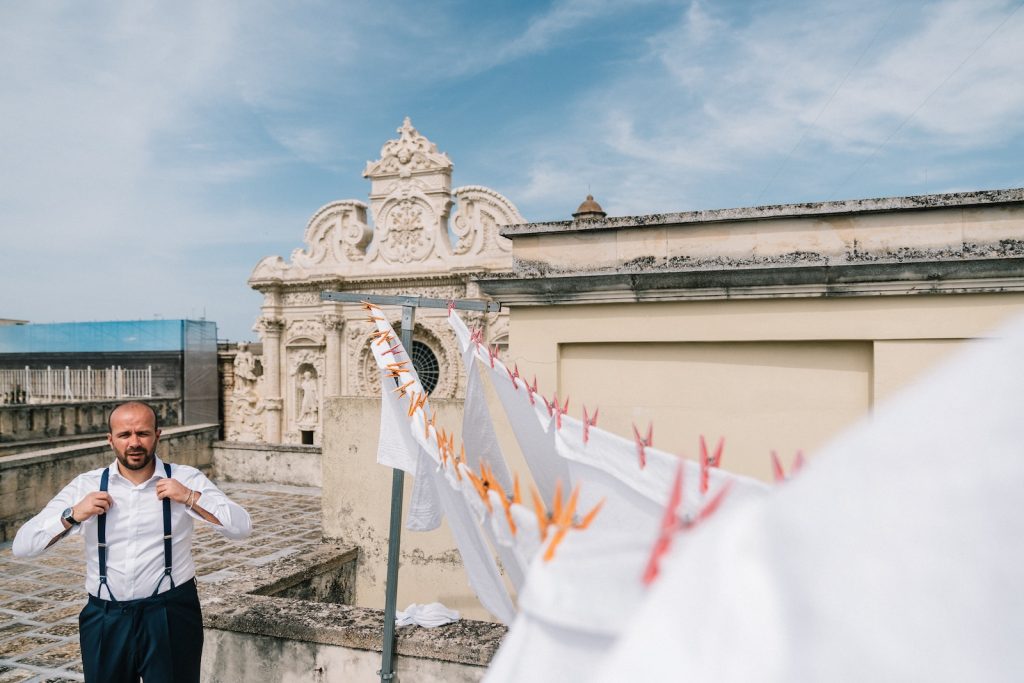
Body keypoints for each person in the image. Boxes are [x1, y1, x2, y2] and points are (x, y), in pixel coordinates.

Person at [12, 401, 252, 683]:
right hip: (105, 617)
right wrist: (74, 514)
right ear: (110, 439)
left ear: (158, 435)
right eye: (125, 435)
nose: (134, 442)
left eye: (143, 433)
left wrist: (190, 497)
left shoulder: (185, 478)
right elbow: (22, 546)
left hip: (171, 614)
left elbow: (242, 528)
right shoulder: (86, 485)